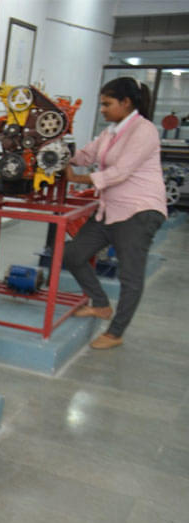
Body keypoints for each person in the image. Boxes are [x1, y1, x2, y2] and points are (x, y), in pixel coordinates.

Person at [64, 77, 167, 350]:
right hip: (110, 210)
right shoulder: (111, 132)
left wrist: (78, 178)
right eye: (101, 104)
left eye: (107, 104)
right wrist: (58, 152)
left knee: (130, 277)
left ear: (126, 102)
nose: (103, 109)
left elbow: (119, 173)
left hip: (139, 211)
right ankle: (100, 304)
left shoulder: (144, 131)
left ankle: (116, 332)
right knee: (73, 254)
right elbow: (86, 155)